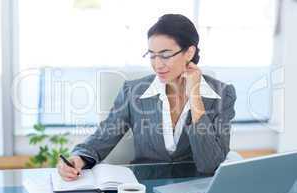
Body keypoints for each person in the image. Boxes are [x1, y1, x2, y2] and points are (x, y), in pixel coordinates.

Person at [57, 14, 236, 181]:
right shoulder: (133, 92)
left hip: (195, 189)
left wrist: (195, 97)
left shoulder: (222, 94)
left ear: (189, 53)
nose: (157, 64)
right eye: (152, 55)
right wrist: (78, 158)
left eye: (165, 55)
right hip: (144, 188)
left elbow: (210, 165)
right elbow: (103, 137)